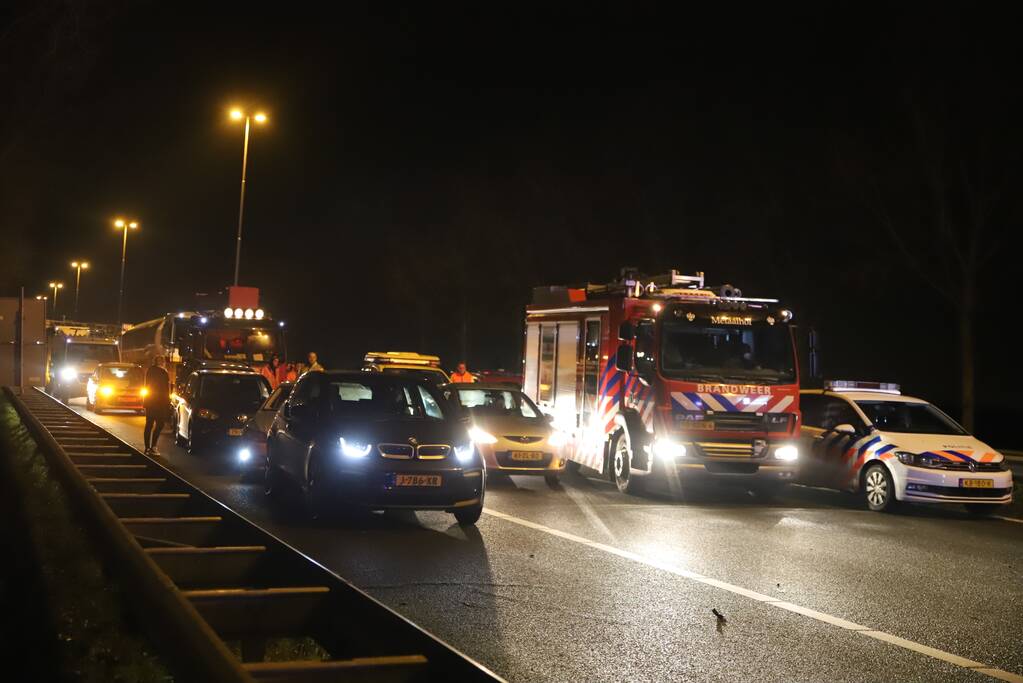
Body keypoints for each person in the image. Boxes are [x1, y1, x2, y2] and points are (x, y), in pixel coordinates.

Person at [143, 356, 171, 456]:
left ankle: (148, 447)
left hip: (151, 402)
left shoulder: (150, 370)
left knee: (150, 424)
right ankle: (153, 446)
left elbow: (147, 386)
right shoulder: (163, 372)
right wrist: (168, 403)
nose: (163, 362)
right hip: (159, 403)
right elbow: (166, 390)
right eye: (162, 361)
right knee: (159, 424)